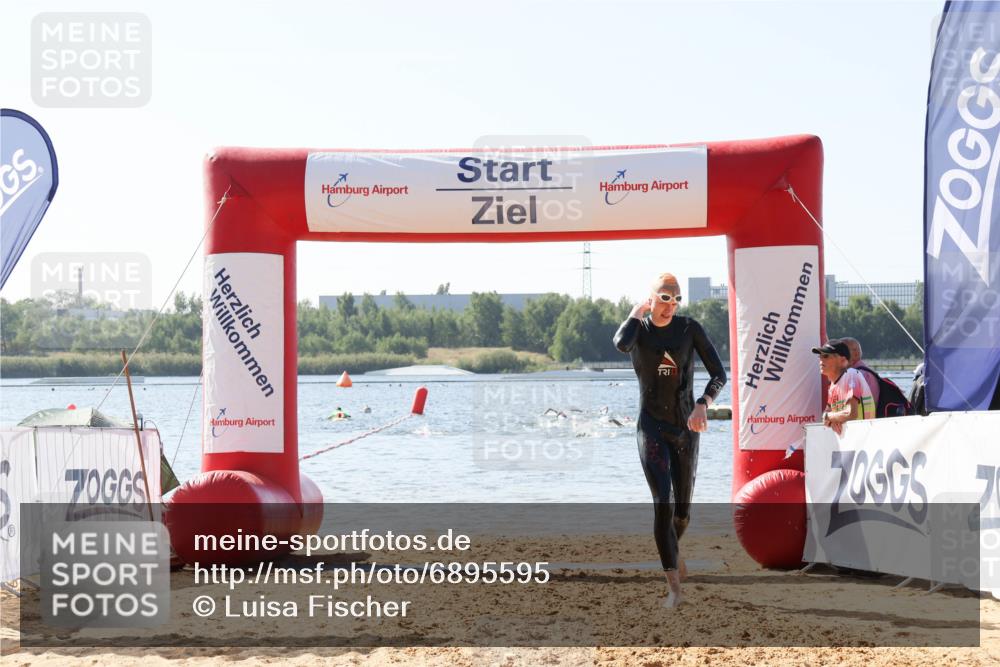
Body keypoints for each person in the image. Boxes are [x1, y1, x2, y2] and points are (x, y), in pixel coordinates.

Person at [613, 273, 727, 609]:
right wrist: (636, 313)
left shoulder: (689, 329)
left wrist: (702, 405)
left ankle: (671, 550)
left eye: (676, 299)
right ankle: (674, 588)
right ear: (651, 300)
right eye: (664, 298)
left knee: (682, 514)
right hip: (650, 426)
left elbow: (719, 374)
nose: (670, 306)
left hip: (685, 428)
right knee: (663, 500)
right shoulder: (639, 331)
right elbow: (621, 343)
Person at [813, 340, 875, 435]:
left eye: (826, 356)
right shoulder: (833, 386)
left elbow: (850, 413)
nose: (821, 360)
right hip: (853, 440)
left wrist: (829, 417)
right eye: (820, 356)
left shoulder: (851, 374)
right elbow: (826, 417)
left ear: (842, 361)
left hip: (865, 438)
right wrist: (832, 420)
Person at [836, 337, 879, 407]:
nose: (837, 356)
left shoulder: (858, 375)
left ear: (856, 354)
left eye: (841, 352)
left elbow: (851, 408)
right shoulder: (863, 372)